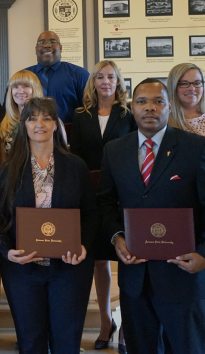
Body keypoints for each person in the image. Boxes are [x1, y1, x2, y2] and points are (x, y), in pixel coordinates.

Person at [98, 78, 205, 353]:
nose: (150, 108)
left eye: (158, 101)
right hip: (135, 277)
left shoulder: (195, 147)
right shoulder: (114, 151)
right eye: (142, 101)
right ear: (132, 107)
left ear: (170, 106)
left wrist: (204, 253)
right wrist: (116, 238)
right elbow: (106, 202)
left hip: (182, 275)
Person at [0, 97, 98, 354]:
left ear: (56, 124)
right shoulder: (8, 169)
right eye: (32, 118)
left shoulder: (75, 166)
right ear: (23, 125)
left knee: (66, 341)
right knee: (31, 341)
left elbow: (92, 214)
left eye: (47, 117)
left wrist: (83, 246)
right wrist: (7, 252)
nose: (40, 123)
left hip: (68, 269)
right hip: (23, 271)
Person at [70, 60, 136, 350]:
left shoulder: (128, 113)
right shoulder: (80, 115)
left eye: (111, 77)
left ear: (118, 81)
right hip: (91, 194)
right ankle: (106, 321)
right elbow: (77, 156)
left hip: (122, 193)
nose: (106, 81)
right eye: (100, 77)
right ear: (93, 82)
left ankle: (126, 321)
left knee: (126, 257)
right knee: (98, 260)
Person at [22, 31, 89, 124]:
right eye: (41, 42)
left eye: (53, 41)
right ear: (36, 49)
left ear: (60, 48)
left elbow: (89, 108)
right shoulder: (23, 76)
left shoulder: (79, 74)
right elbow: (10, 108)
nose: (47, 45)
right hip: (30, 133)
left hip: (69, 134)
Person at [0, 70, 44, 164]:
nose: (20, 91)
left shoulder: (48, 121)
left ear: (35, 89)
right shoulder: (5, 124)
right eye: (15, 87)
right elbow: (2, 164)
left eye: (26, 86)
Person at [167, 63, 205, 136]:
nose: (192, 88)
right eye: (184, 83)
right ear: (173, 87)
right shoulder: (163, 121)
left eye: (197, 83)